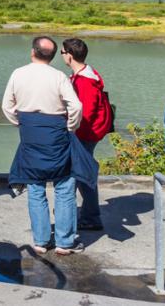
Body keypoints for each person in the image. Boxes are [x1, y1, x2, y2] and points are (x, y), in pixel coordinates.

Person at [2, 36, 90, 255]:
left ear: (33, 52)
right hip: (56, 132)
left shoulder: (18, 74)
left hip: (30, 132)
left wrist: (20, 122)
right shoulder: (59, 76)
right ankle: (64, 242)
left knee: (35, 186)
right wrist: (70, 126)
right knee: (64, 186)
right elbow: (76, 106)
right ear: (51, 56)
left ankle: (41, 241)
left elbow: (7, 106)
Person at [60, 38, 112, 231]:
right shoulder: (86, 74)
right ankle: (78, 212)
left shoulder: (84, 81)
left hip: (84, 132)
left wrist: (69, 128)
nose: (62, 56)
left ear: (70, 56)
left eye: (63, 53)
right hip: (88, 131)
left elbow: (85, 112)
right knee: (82, 172)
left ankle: (88, 216)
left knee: (81, 173)